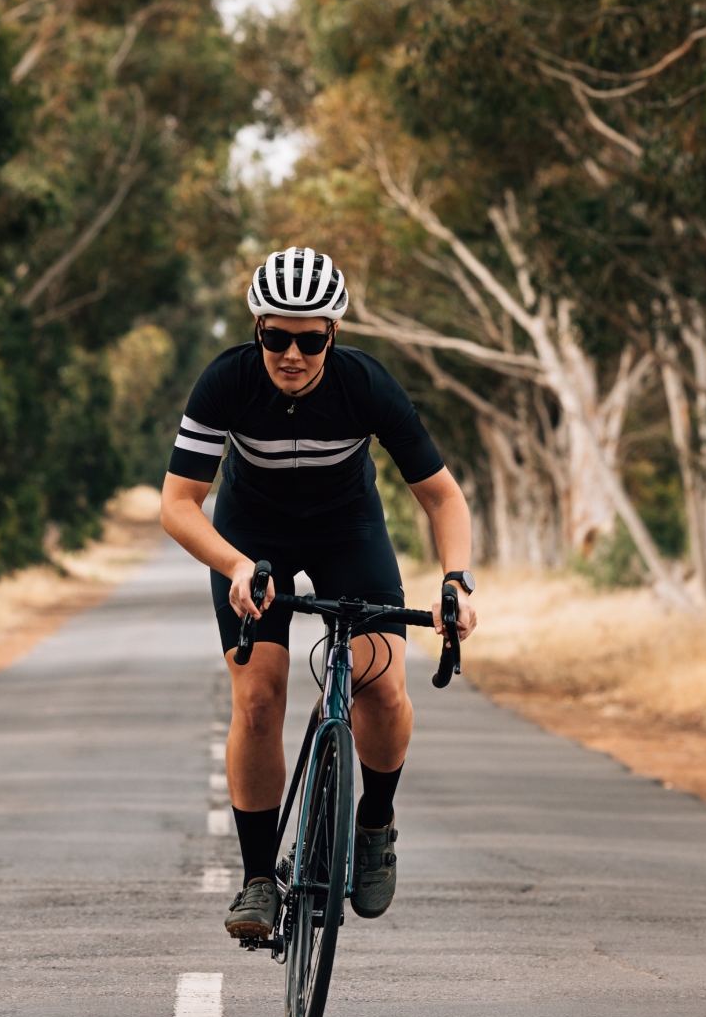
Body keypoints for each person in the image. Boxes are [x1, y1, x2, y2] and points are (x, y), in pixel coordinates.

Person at [159, 246, 478, 940]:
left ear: (334, 335)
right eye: (276, 337)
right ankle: (256, 882)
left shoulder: (366, 386)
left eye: (309, 339)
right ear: (257, 333)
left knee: (384, 688)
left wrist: (455, 579)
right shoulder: (226, 385)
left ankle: (374, 824)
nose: (292, 354)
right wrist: (237, 565)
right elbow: (180, 504)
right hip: (252, 538)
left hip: (346, 531)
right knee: (260, 694)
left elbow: (442, 496)